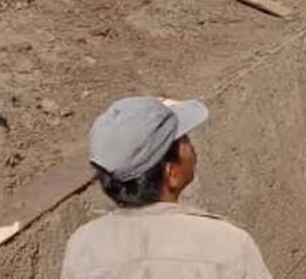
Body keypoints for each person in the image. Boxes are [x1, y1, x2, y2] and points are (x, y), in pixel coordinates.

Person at [61, 96, 272, 278]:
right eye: (184, 141)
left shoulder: (84, 246)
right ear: (171, 173)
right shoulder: (229, 245)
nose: (192, 148)